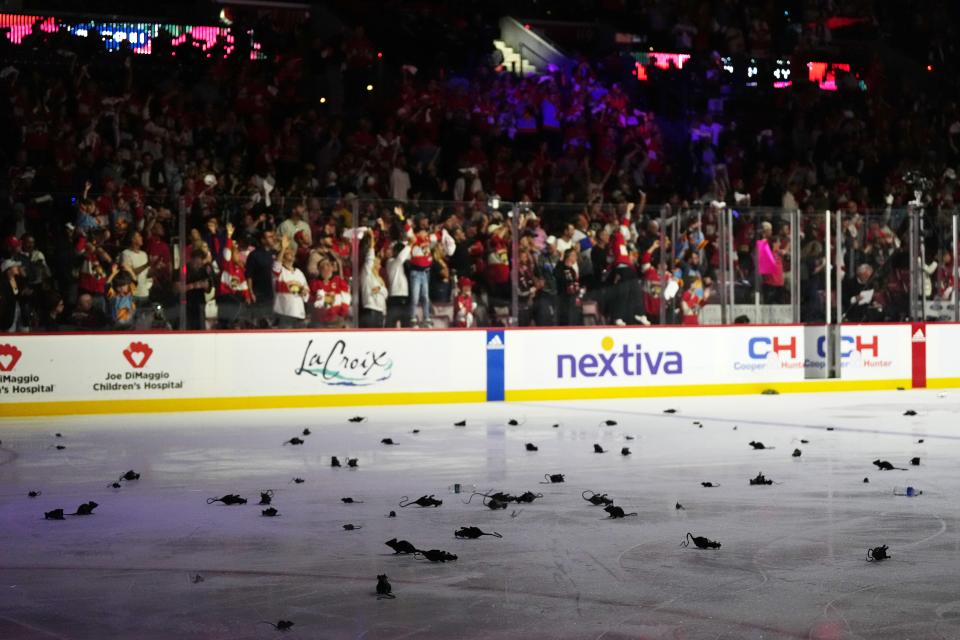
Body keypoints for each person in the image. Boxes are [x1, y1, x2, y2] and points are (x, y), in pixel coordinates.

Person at [272, 235, 309, 328]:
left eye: (292, 252)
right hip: (284, 311)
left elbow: (306, 289)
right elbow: (277, 265)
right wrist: (283, 248)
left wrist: (304, 292)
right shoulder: (279, 272)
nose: (292, 253)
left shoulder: (299, 272)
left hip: (299, 312)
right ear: (283, 257)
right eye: (288, 253)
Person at [245, 229, 278, 327]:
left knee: (271, 323)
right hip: (259, 294)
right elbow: (249, 275)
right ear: (263, 240)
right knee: (259, 323)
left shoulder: (275, 253)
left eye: (273, 236)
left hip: (273, 294)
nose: (273, 238)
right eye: (269, 237)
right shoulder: (254, 255)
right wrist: (251, 292)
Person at [408, 225, 432, 326]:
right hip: (416, 273)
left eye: (425, 232)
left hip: (425, 273)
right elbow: (409, 232)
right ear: (418, 233)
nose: (425, 234)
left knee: (425, 296)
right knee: (415, 297)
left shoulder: (427, 243)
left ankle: (426, 317)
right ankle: (413, 317)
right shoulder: (414, 242)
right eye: (423, 232)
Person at [184, 249, 214, 330]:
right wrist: (194, 285)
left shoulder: (204, 271)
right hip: (187, 304)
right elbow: (178, 289)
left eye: (200, 263)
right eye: (196, 263)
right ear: (191, 260)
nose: (198, 265)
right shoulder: (184, 270)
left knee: (200, 327)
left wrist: (206, 285)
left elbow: (208, 290)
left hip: (200, 303)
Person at [361, 242, 387, 327]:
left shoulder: (379, 279)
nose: (379, 266)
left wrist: (380, 289)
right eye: (377, 263)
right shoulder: (367, 274)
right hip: (370, 311)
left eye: (379, 264)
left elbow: (386, 294)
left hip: (380, 312)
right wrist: (371, 245)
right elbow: (369, 260)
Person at [555, 248, 583, 326]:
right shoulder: (560, 267)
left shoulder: (572, 270)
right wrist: (561, 260)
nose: (576, 258)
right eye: (574, 255)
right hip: (562, 299)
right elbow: (556, 274)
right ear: (568, 256)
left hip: (572, 300)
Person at [0, 259, 25, 332]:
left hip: (21, 311)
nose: (17, 267)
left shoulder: (18, 279)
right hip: (9, 314)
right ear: (8, 270)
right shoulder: (3, 283)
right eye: (14, 266)